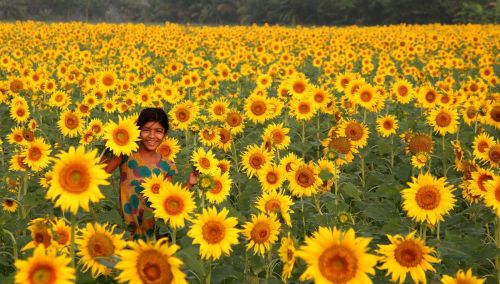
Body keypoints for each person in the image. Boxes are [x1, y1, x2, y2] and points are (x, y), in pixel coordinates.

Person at [101, 107, 198, 240]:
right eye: (146, 130)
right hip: (127, 232)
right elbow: (100, 172)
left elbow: (170, 200)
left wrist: (189, 184)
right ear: (138, 131)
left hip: (156, 234)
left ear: (164, 134)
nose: (152, 136)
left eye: (158, 131)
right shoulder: (127, 155)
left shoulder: (167, 165)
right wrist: (111, 145)